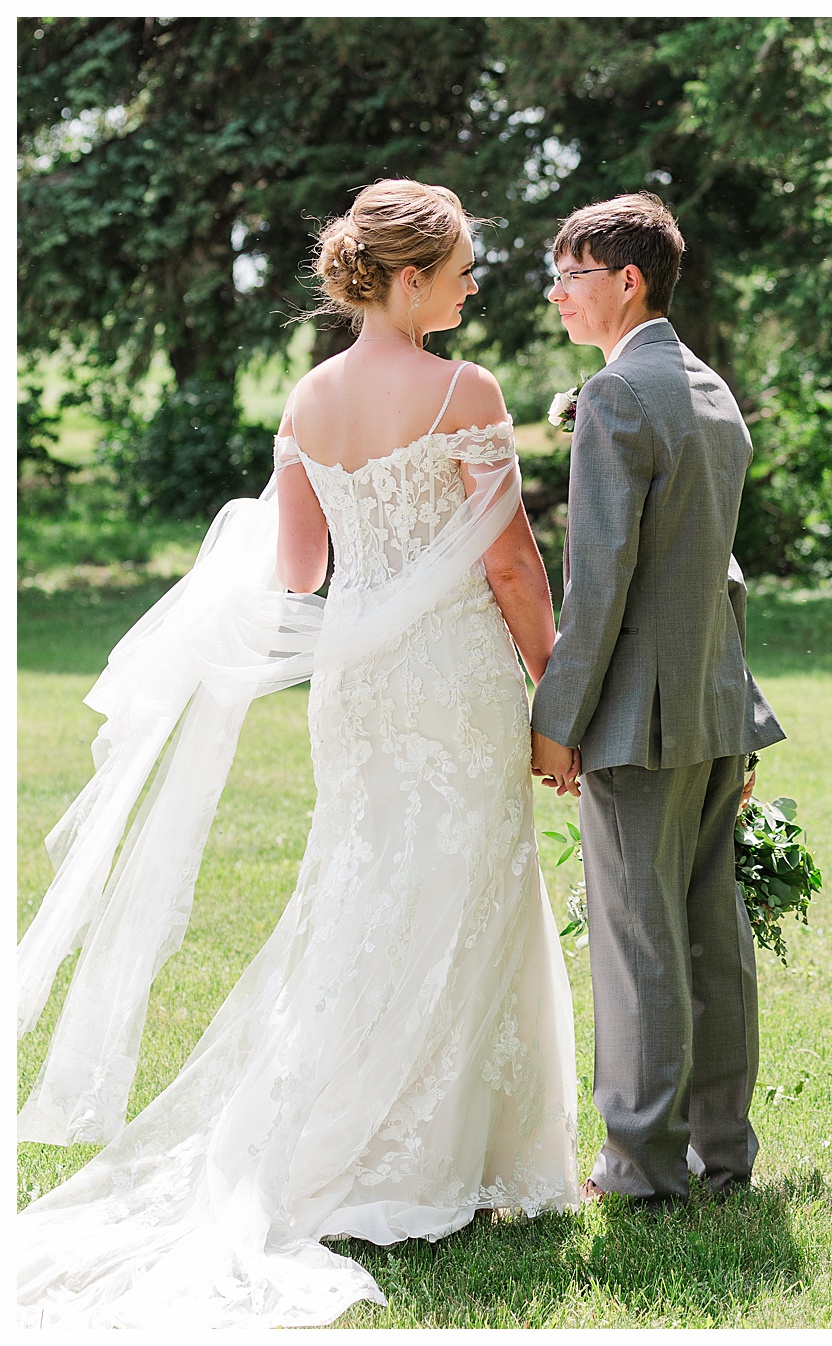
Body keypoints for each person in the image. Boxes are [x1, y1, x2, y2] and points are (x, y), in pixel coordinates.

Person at [16, 179, 580, 1327]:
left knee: (360, 888)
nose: (478, 280)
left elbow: (300, 569)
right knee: (462, 890)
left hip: (358, 686)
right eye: (464, 264)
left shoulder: (309, 398)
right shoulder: (464, 389)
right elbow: (514, 566)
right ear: (409, 276)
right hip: (459, 678)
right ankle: (432, 1164)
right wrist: (559, 686)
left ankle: (349, 1137)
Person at [529, 194, 785, 1206]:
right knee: (710, 936)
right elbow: (722, 571)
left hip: (640, 716)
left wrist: (557, 721)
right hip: (713, 706)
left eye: (572, 276)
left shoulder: (618, 396)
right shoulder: (709, 388)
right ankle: (722, 1155)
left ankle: (639, 1168)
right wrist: (737, 701)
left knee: (640, 945)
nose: (559, 296)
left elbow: (597, 586)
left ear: (627, 280)